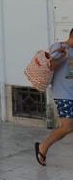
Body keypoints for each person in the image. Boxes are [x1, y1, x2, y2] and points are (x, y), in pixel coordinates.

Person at [35, 28, 73, 166]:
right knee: (67, 126)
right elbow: (50, 65)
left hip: (71, 93)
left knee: (69, 126)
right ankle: (43, 147)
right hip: (64, 95)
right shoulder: (58, 47)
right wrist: (64, 56)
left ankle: (43, 147)